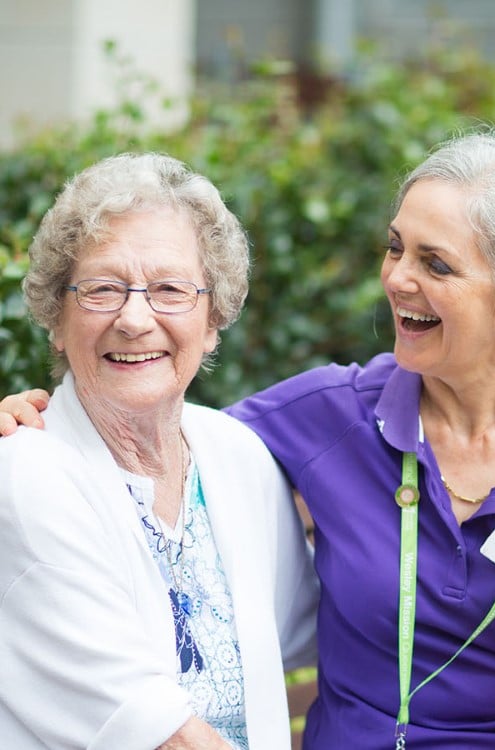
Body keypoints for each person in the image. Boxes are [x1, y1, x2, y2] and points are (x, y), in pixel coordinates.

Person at [1, 131, 495, 749]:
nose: (397, 278)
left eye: (436, 263)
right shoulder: (327, 416)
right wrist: (25, 419)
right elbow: (139, 412)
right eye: (395, 247)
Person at [0, 153, 318, 749]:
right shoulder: (27, 472)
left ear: (213, 317)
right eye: (101, 290)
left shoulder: (236, 456)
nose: (135, 318)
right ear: (56, 319)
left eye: (170, 289)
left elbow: (324, 630)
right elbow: (157, 734)